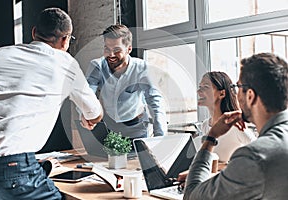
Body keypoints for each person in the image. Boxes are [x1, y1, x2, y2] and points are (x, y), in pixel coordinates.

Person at [0, 8, 103, 200]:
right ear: (66, 40)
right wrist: (88, 119)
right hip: (12, 169)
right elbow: (95, 113)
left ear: (34, 33)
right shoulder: (65, 63)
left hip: (12, 167)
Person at [183, 53, 288, 199]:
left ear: (250, 96)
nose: (235, 94)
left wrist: (211, 138)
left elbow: (192, 196)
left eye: (237, 87)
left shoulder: (254, 156)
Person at [86, 24, 167, 142]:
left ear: (129, 49)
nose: (111, 55)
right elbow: (87, 95)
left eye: (117, 50)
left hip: (137, 127)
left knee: (137, 160)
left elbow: (155, 101)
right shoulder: (97, 66)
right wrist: (85, 115)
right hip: (109, 127)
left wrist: (160, 137)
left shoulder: (142, 68)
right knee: (106, 160)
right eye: (107, 49)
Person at [195, 71, 256, 162]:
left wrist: (226, 166)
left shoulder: (235, 125)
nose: (199, 91)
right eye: (200, 87)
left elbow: (259, 151)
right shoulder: (205, 125)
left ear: (222, 94)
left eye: (206, 87)